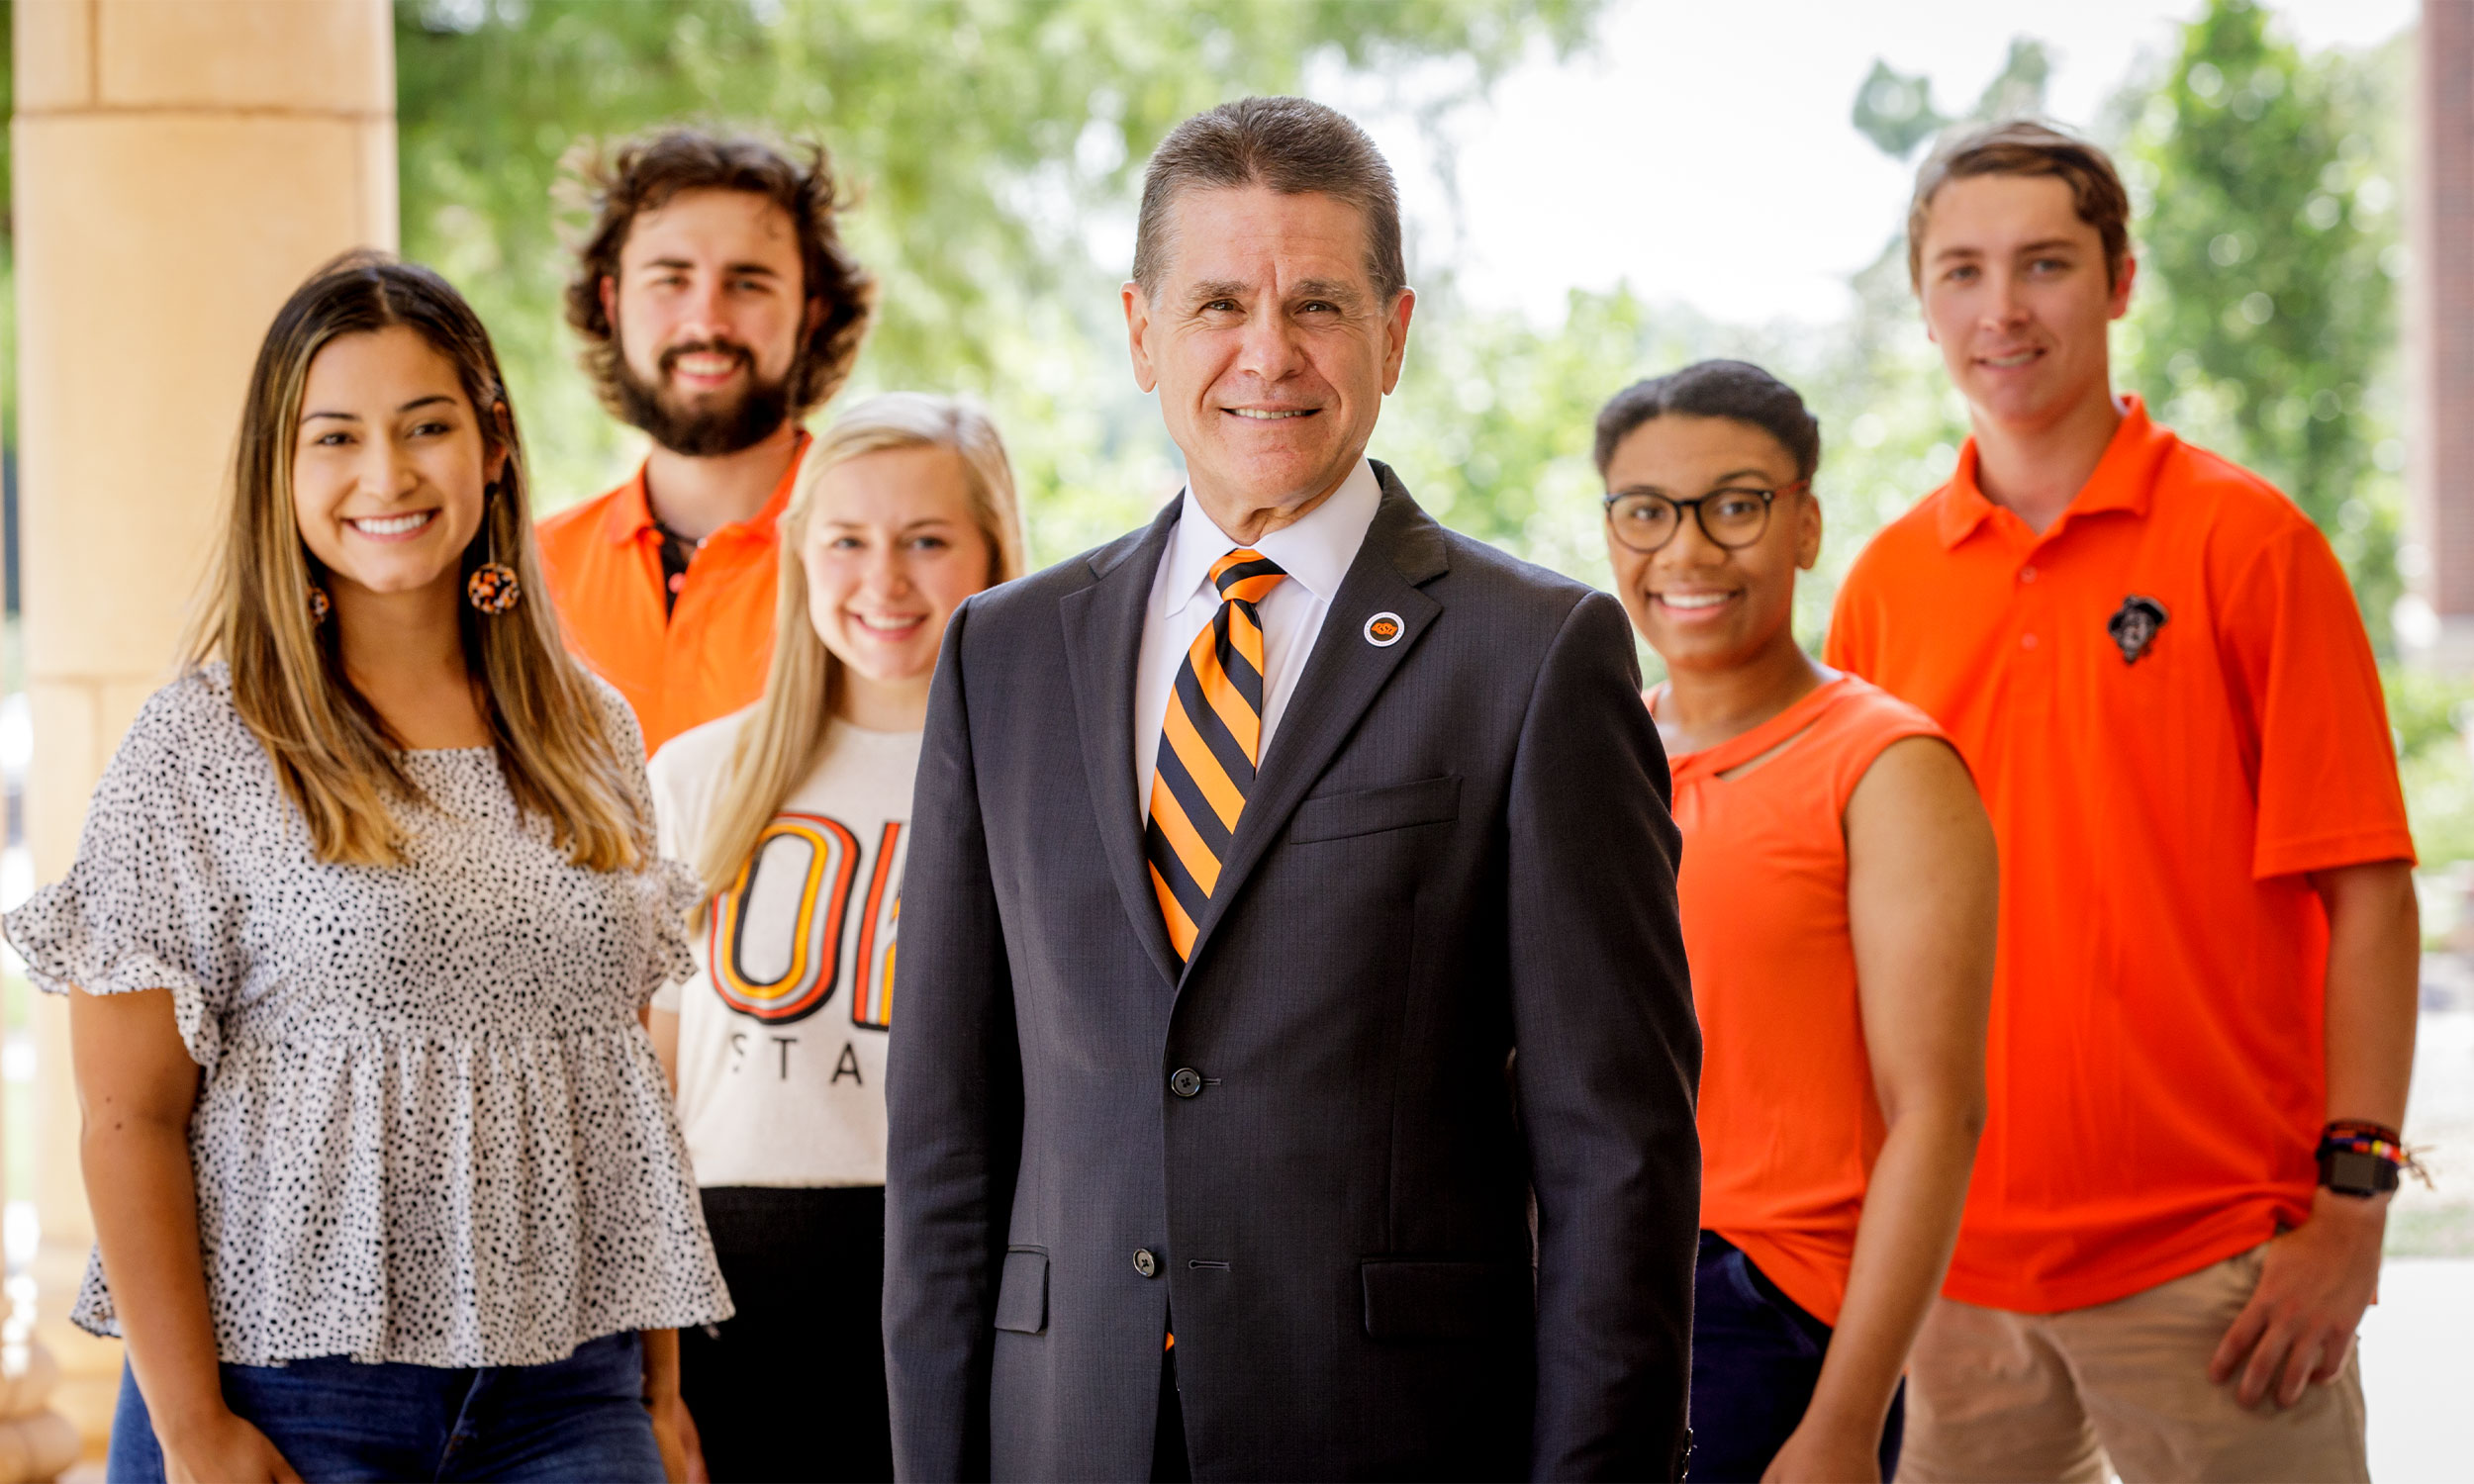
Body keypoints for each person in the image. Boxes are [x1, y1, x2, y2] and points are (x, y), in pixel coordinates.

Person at [883, 96, 1701, 1483]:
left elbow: (1616, 1151)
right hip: (1059, 1425)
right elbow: (948, 1132)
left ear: (1396, 331)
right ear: (1141, 330)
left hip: (1393, 1433)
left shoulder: (1535, 656)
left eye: (1317, 302)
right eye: (1217, 304)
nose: (1268, 354)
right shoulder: (1003, 654)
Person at [7, 253, 730, 1484]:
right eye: (333, 436)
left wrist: (658, 1392)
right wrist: (193, 1432)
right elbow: (127, 1116)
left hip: (572, 1394)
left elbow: (612, 1088)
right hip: (285, 1394)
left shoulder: (591, 732)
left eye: (426, 426)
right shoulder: (203, 743)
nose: (386, 475)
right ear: (278, 473)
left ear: (493, 444)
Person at [1826, 121, 2420, 1483]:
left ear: (2121, 282)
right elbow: (1836, 929)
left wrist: (2354, 1208)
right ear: (1922, 301)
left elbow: (2369, 892)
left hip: (2215, 1275)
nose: (2003, 309)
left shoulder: (2251, 546)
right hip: (1948, 1279)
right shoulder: (1880, 588)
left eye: (2045, 264)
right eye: (1963, 271)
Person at [1594, 360, 1996, 1483]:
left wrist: (1841, 1422)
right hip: (1592, 1291)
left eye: (1734, 505)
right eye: (1645, 511)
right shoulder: (1595, 755)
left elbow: (1937, 1116)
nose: (1684, 551)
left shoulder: (1886, 768)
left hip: (1763, 1314)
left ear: (1805, 524)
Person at [645, 393, 1028, 1483]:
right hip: (728, 1297)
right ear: (799, 555)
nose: (884, 580)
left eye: (926, 541)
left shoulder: (1050, 784)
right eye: (848, 541)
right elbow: (651, 1101)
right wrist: (650, 1369)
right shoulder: (698, 779)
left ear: (994, 550)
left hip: (965, 1279)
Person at [537, 128, 877, 753]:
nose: (706, 322)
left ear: (813, 309)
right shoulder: (526, 571)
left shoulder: (889, 573)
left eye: (748, 283)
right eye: (670, 279)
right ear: (612, 301)